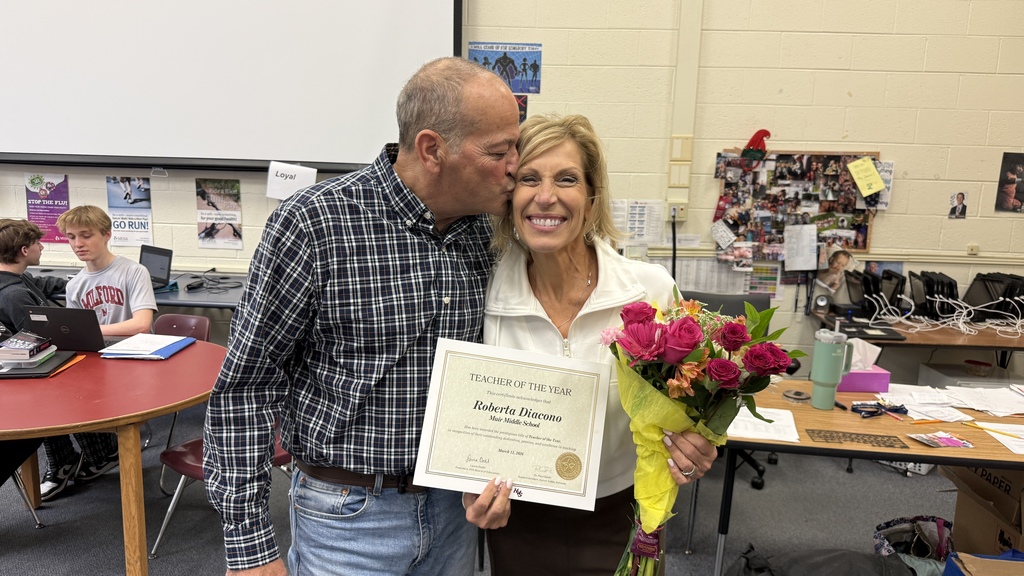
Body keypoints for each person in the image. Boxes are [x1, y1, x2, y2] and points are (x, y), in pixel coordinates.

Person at [202, 57, 519, 576]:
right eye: (499, 151)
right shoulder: (315, 223)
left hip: (456, 516)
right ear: (432, 149)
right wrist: (250, 545)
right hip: (347, 519)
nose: (514, 166)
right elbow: (248, 385)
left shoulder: (492, 234)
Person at [483, 114, 717, 575]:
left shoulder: (648, 291)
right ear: (510, 198)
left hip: (623, 512)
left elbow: (686, 408)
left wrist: (695, 448)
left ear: (591, 199)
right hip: (519, 516)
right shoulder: (484, 293)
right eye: (529, 178)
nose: (545, 196)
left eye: (566, 179)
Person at [35, 206, 157, 501]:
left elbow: (141, 325)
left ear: (106, 235)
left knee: (76, 397)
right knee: (49, 394)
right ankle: (77, 461)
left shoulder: (133, 271)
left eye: (86, 236)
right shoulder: (76, 284)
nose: (78, 244)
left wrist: (95, 330)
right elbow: (75, 334)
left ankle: (100, 455)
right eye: (71, 237)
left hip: (136, 362)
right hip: (99, 362)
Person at [0, 218, 71, 490]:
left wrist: (76, 283)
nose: (42, 247)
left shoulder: (19, 278)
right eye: (38, 243)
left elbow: (40, 283)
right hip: (32, 377)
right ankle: (70, 461)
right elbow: (43, 343)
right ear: (24, 251)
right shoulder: (14, 295)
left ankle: (82, 459)